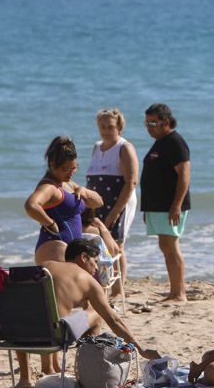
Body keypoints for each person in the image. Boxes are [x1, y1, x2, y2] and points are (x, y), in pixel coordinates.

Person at [13, 238, 161, 388]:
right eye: (95, 261)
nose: (96, 267)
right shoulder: (87, 280)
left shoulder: (44, 267)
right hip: (53, 337)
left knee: (28, 312)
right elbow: (114, 320)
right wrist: (141, 349)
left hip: (17, 334)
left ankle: (25, 378)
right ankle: (87, 373)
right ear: (83, 257)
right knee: (96, 313)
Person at [24, 136, 103, 265]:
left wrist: (83, 190)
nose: (71, 173)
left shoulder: (67, 183)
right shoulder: (49, 187)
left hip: (71, 250)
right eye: (66, 169)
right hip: (55, 248)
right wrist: (49, 223)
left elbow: (98, 202)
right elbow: (30, 206)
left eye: (74, 168)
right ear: (52, 165)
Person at [86, 108, 139, 298]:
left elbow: (131, 181)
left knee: (116, 244)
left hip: (119, 202)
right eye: (102, 126)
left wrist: (116, 211)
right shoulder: (97, 146)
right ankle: (103, 283)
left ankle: (118, 290)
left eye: (110, 126)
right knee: (97, 243)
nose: (106, 130)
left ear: (119, 127)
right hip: (98, 204)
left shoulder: (124, 148)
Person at [141, 103, 191, 303]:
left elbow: (184, 175)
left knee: (170, 245)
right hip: (158, 206)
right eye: (146, 123)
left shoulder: (175, 142)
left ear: (166, 122)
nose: (149, 127)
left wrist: (176, 205)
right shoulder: (161, 142)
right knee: (166, 245)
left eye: (153, 122)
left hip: (170, 205)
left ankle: (179, 293)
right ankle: (174, 291)